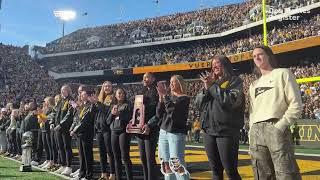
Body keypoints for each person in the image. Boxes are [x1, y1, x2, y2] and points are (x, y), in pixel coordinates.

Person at [249, 45, 302, 180]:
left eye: (260, 54)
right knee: (261, 174)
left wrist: (280, 126)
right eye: (254, 56)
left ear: (268, 56)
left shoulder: (283, 73)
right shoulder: (253, 84)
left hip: (275, 126)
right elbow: (252, 112)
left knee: (286, 173)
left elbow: (295, 104)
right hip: (256, 131)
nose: (257, 58)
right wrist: (251, 133)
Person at [196, 55, 244, 180]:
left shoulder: (235, 81)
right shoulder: (211, 83)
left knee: (231, 171)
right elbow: (198, 104)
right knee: (215, 171)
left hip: (226, 131)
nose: (214, 66)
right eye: (212, 64)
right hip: (208, 131)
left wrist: (212, 86)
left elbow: (230, 101)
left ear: (225, 65)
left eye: (217, 63)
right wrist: (206, 89)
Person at [156, 75, 190, 180]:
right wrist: (161, 100)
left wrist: (165, 97)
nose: (170, 84)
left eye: (173, 82)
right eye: (170, 82)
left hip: (176, 133)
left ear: (180, 84)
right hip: (163, 132)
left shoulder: (184, 98)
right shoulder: (168, 97)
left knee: (177, 165)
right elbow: (158, 114)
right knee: (165, 165)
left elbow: (173, 114)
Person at [135, 72, 160, 180]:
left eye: (147, 77)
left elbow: (158, 112)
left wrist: (149, 124)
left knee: (150, 158)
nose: (145, 79)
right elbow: (137, 111)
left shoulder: (157, 92)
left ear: (153, 79)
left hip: (151, 128)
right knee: (143, 158)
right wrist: (134, 121)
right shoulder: (141, 92)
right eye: (144, 77)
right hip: (140, 128)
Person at [70, 88, 96, 180]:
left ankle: (88, 175)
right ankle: (82, 173)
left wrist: (74, 130)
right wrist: (72, 129)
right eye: (81, 94)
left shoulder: (91, 105)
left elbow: (86, 120)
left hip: (87, 133)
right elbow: (76, 119)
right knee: (82, 155)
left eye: (84, 94)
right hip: (80, 133)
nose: (81, 96)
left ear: (88, 96)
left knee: (87, 155)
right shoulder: (82, 106)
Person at [108, 88, 133, 180]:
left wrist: (120, 114)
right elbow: (108, 121)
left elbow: (130, 118)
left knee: (125, 157)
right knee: (116, 157)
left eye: (122, 93)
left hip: (123, 132)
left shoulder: (128, 105)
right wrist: (112, 114)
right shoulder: (113, 105)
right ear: (115, 95)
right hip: (114, 132)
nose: (121, 95)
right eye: (119, 93)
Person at [94, 81, 116, 180]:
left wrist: (98, 103)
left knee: (109, 152)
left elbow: (107, 111)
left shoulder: (113, 98)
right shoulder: (100, 98)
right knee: (101, 153)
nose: (107, 88)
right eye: (105, 86)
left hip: (108, 129)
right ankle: (104, 173)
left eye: (109, 86)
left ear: (112, 88)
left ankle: (113, 174)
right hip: (99, 129)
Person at [54, 85, 74, 176]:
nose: (62, 92)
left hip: (65, 128)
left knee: (67, 147)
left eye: (65, 90)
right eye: (62, 90)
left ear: (69, 91)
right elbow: (56, 113)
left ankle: (68, 167)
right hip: (58, 128)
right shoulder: (60, 101)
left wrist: (60, 124)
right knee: (60, 146)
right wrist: (52, 123)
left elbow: (69, 115)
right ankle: (63, 164)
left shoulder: (71, 100)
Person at [38, 97, 56, 169]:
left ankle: (51, 161)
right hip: (43, 129)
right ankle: (48, 159)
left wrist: (41, 114)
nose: (44, 103)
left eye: (45, 101)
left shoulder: (52, 109)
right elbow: (39, 121)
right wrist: (41, 113)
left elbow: (45, 119)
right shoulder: (44, 110)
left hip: (49, 129)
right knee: (46, 146)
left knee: (50, 146)